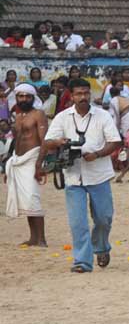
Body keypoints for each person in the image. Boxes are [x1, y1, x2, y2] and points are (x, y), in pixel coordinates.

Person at [42, 78, 121, 273]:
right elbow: (47, 142)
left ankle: (101, 247)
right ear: (71, 95)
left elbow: (114, 141)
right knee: (78, 222)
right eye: (79, 93)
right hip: (73, 176)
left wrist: (97, 154)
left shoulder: (103, 116)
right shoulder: (62, 117)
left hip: (99, 174)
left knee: (103, 218)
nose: (83, 97)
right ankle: (82, 262)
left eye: (86, 93)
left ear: (90, 94)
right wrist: (60, 142)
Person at [3, 84, 47, 245]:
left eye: (27, 96)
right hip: (18, 160)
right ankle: (33, 238)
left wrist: (39, 165)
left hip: (32, 159)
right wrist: (9, 162)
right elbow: (17, 139)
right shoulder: (18, 115)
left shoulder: (38, 114)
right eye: (20, 96)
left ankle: (41, 239)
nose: (24, 99)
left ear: (32, 97)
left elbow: (45, 141)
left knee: (32, 198)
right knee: (26, 201)